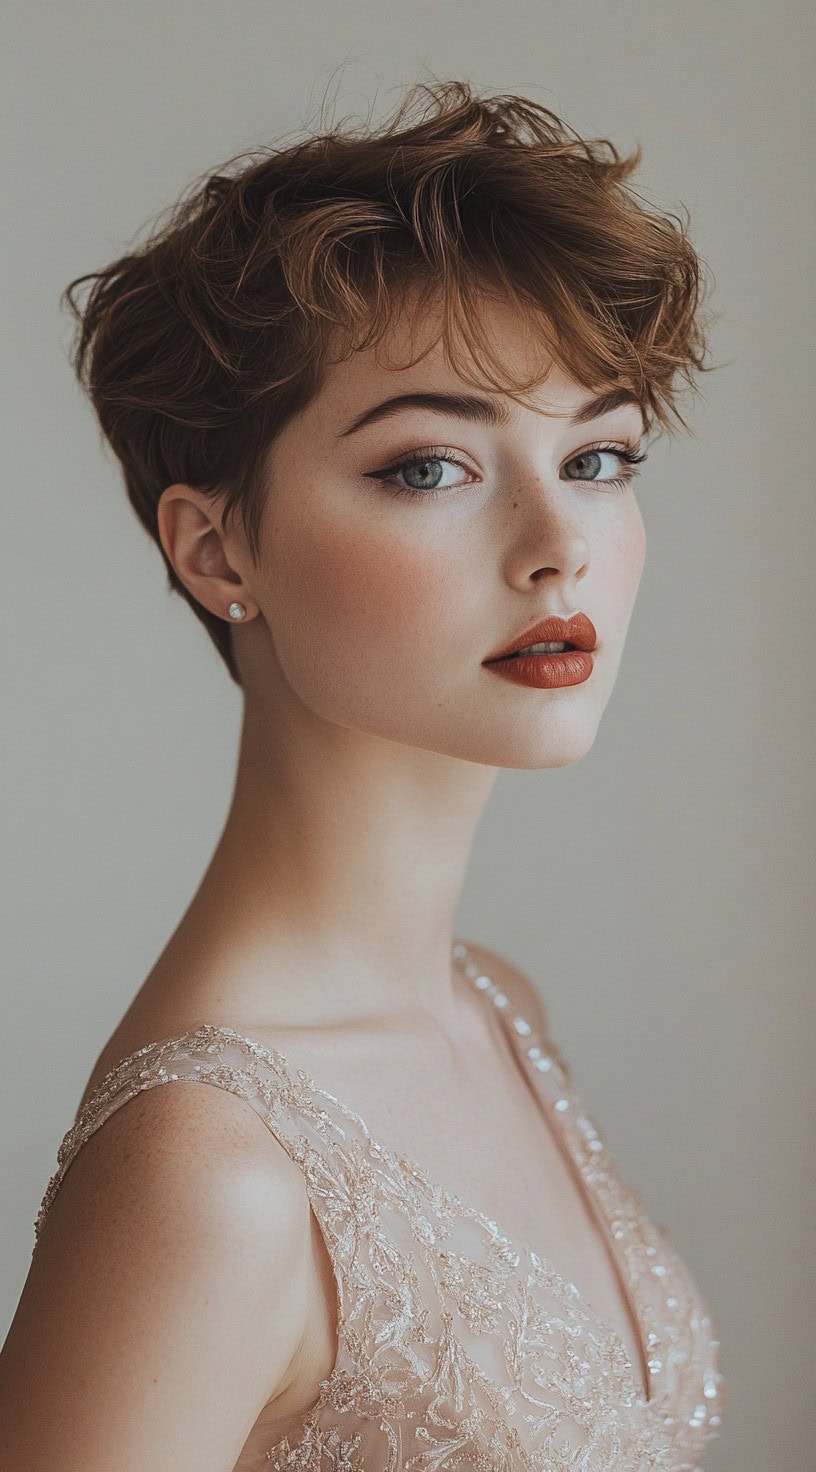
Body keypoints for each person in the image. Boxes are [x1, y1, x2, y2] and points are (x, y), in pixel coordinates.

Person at [0, 78, 726, 1470]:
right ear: (217, 552)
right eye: (431, 466)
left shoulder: (493, 1004)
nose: (557, 544)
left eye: (600, 455)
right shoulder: (210, 1175)